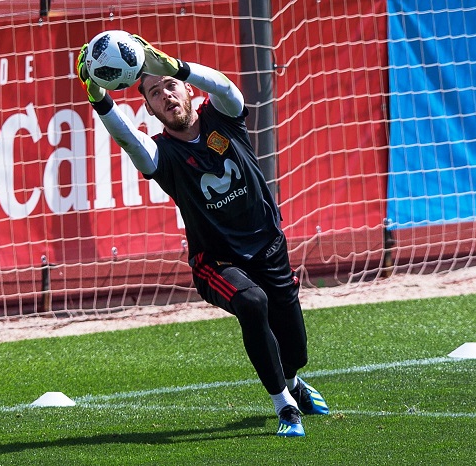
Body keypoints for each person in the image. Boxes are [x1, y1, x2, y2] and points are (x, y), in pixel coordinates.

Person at [76, 35, 329, 437]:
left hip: (269, 247)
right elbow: (126, 139)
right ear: (149, 108)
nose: (166, 96)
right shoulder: (160, 155)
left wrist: (175, 66)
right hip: (217, 262)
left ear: (187, 89)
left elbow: (226, 87)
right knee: (252, 302)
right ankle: (285, 406)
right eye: (155, 94)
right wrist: (99, 99)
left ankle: (294, 382)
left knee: (295, 351)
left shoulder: (223, 116)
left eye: (170, 87)